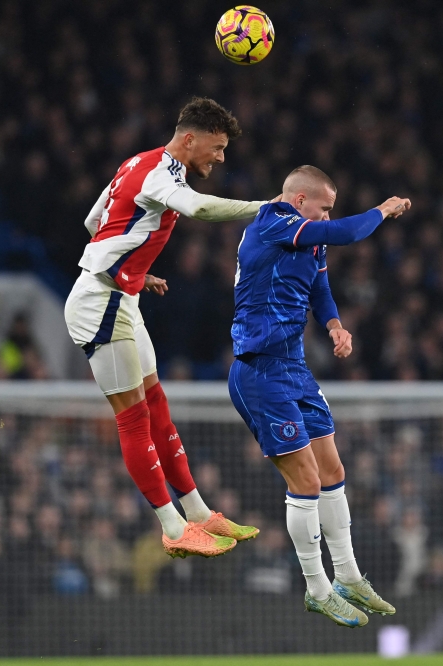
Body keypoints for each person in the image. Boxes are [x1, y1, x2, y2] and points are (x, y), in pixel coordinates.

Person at [65, 97, 267, 558]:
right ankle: (173, 527)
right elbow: (200, 210)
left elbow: (95, 221)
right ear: (189, 139)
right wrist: (266, 207)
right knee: (134, 418)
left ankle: (198, 512)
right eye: (217, 147)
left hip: (121, 296)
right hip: (99, 304)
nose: (221, 158)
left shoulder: (137, 162)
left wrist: (134, 268)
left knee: (156, 406)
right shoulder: (161, 175)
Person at [228, 164, 410, 627]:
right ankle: (317, 588)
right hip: (259, 370)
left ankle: (348, 576)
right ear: (299, 201)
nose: (329, 216)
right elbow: (346, 232)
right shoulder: (273, 223)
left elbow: (320, 286)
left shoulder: (309, 238)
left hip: (294, 369)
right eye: (324, 208)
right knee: (306, 481)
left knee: (333, 471)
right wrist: (383, 210)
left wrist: (334, 325)